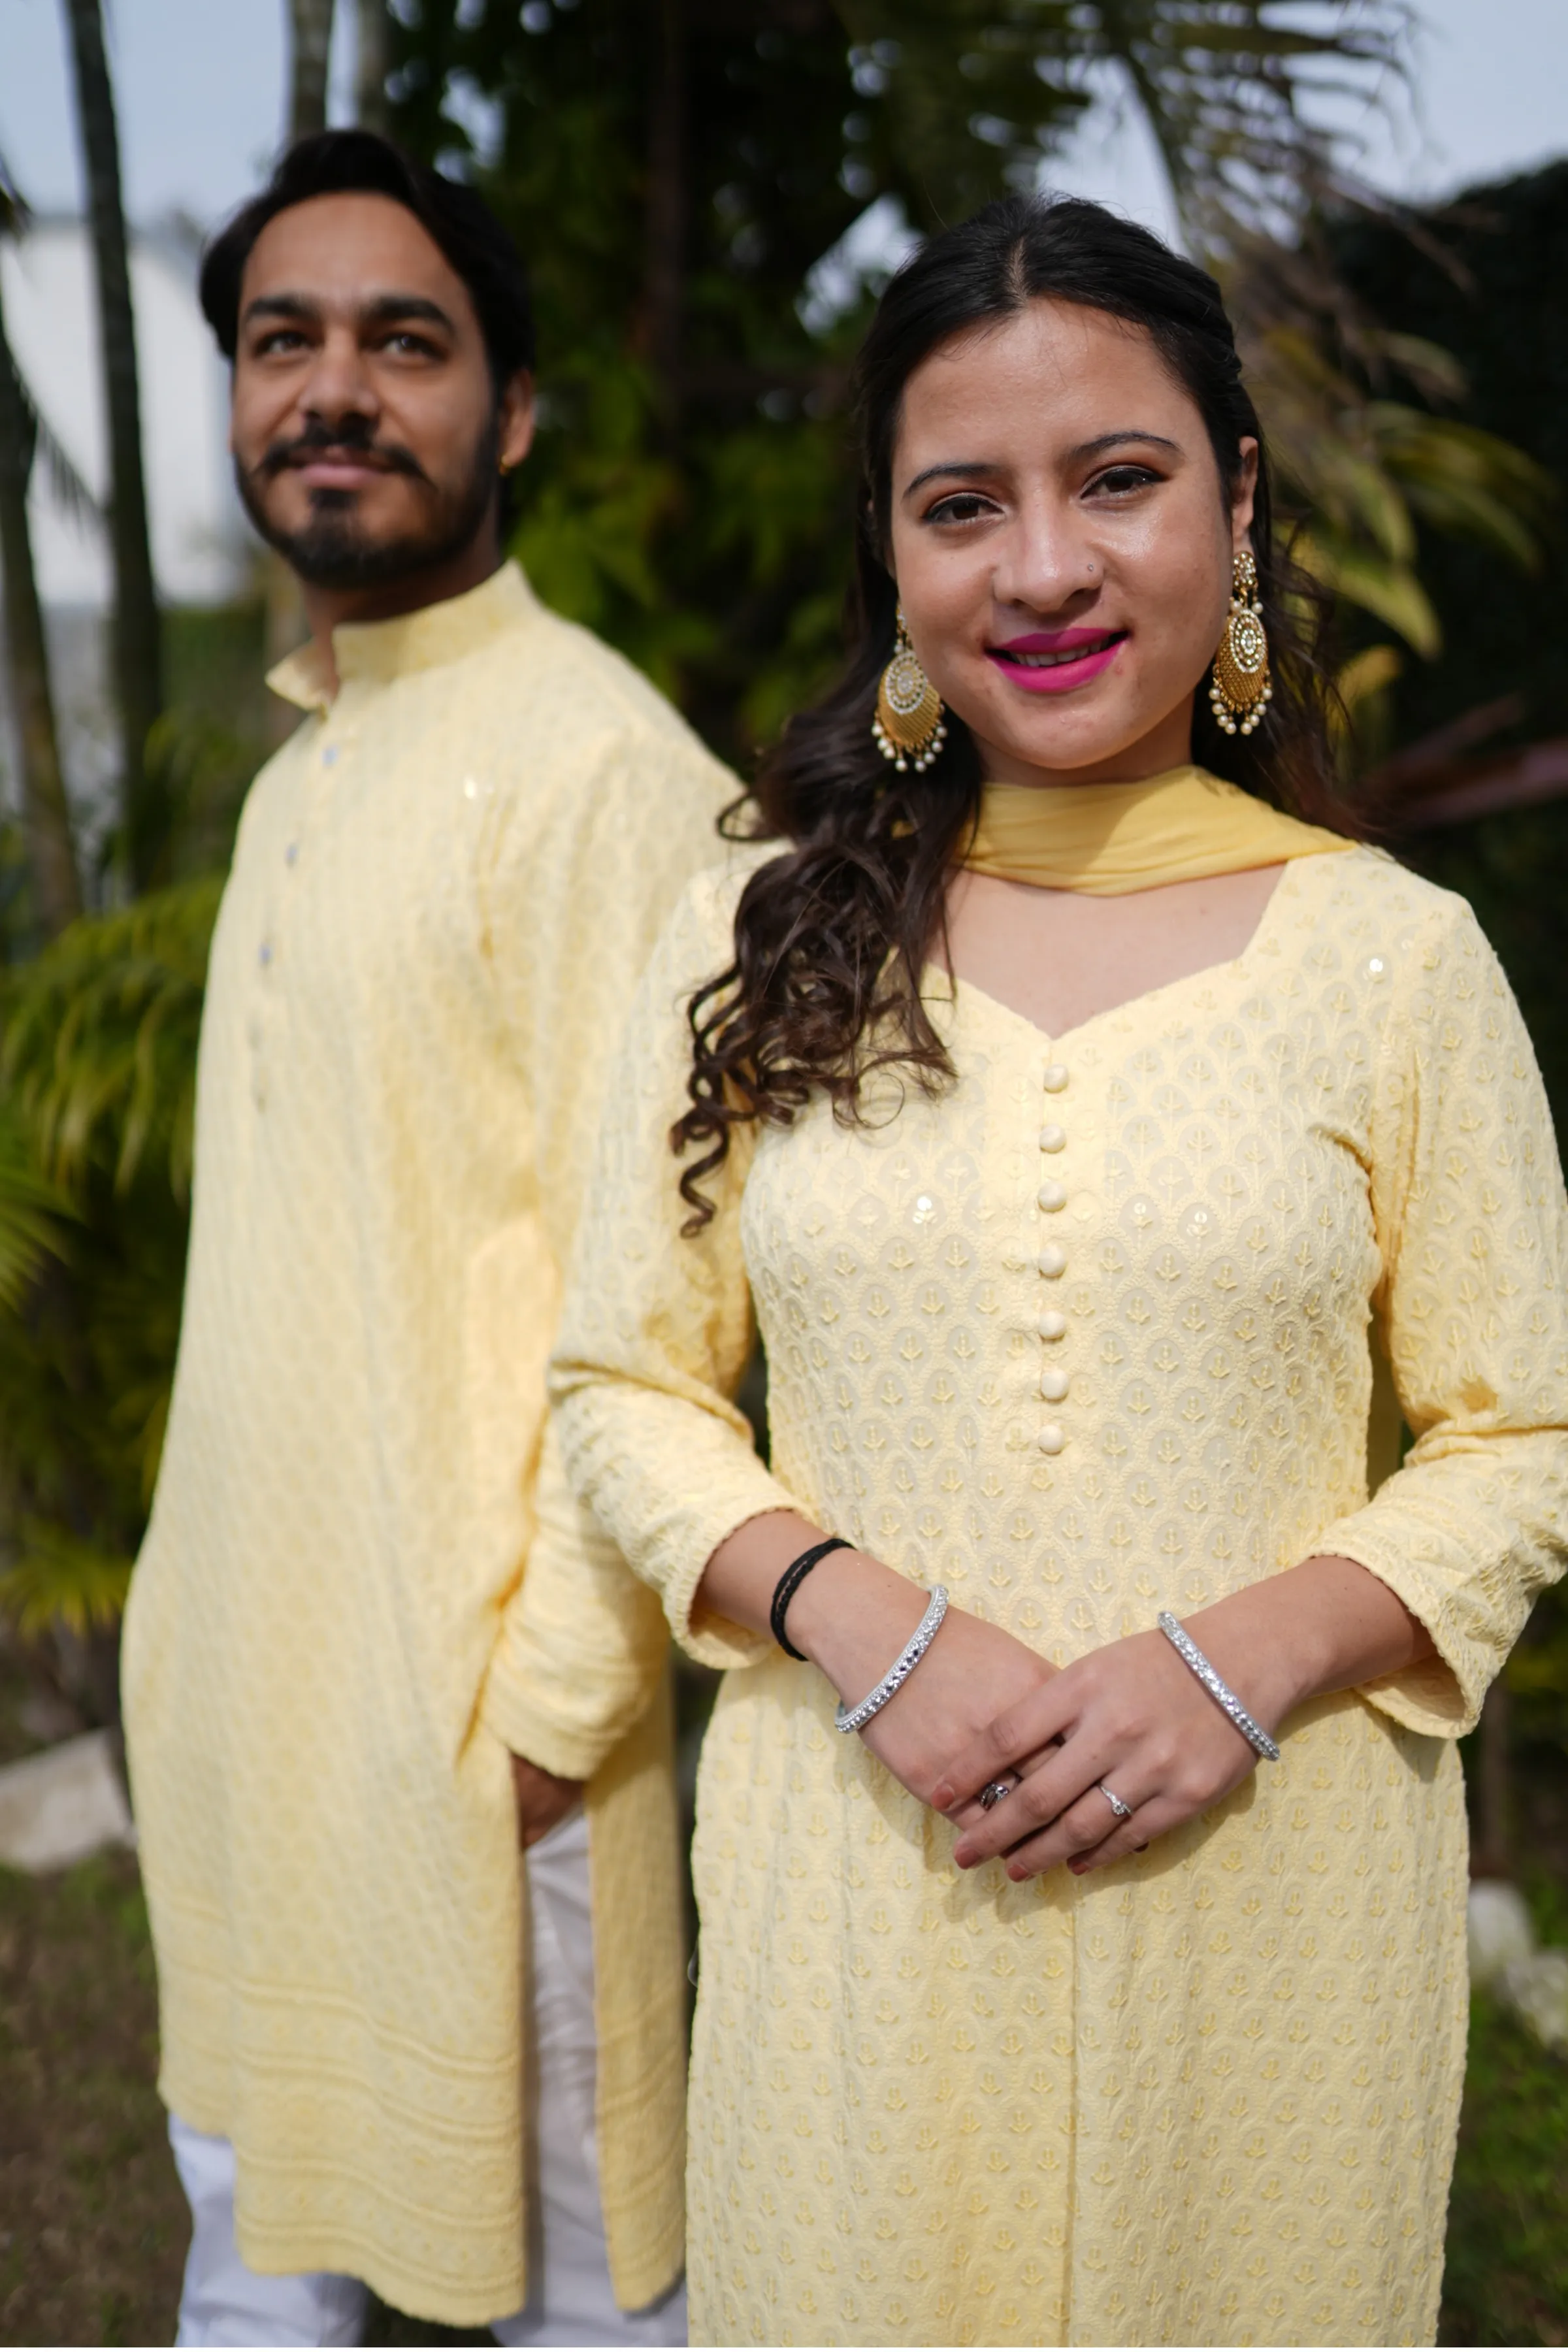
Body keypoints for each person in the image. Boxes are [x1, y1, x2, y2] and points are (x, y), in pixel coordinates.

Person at [540, 195, 1568, 2347]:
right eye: (961, 504)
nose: (1042, 567)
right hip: (858, 1901)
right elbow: (623, 1386)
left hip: (1272, 1918)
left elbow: (1527, 1431)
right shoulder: (761, 934)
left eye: (1118, 477)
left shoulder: (1391, 959)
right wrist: (863, 1626)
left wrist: (1243, 1665)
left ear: (1238, 497)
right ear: (896, 567)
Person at [120, 129, 731, 2347]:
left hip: (495, 1766)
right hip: (251, 1743)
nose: (335, 389)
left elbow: (675, 1286)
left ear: (515, 410)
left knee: (585, 2309)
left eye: (407, 340)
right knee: (256, 2278)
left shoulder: (601, 772)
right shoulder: (305, 771)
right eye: (284, 340)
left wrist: (557, 1716)